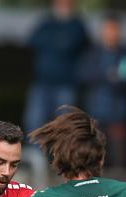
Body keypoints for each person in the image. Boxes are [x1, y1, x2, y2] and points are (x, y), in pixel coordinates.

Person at [24, 0, 90, 135]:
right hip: (42, 83)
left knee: (64, 127)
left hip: (66, 85)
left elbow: (71, 43)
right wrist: (59, 41)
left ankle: (62, 155)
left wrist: (55, 42)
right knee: (34, 123)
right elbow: (32, 40)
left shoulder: (77, 25)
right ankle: (38, 156)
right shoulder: (46, 22)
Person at [78, 14, 126, 168]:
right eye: (108, 29)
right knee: (94, 156)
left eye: (115, 30)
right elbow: (84, 74)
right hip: (96, 112)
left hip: (118, 112)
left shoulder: (125, 53)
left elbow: (125, 79)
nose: (111, 33)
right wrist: (109, 75)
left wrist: (106, 76)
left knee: (119, 158)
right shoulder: (92, 52)